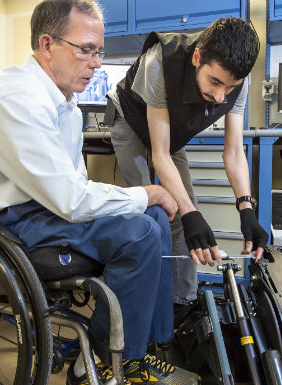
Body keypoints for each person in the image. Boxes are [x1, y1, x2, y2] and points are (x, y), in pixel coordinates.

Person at [0, 0, 200, 385]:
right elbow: (71, 199)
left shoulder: (65, 106)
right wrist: (145, 192)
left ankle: (136, 354)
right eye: (86, 49)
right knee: (143, 225)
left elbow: (71, 190)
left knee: (150, 219)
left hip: (32, 210)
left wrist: (141, 200)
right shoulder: (17, 98)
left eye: (99, 51)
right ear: (47, 44)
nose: (96, 63)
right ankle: (90, 370)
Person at [107, 18, 269, 321]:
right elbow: (159, 154)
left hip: (170, 131)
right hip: (130, 119)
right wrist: (190, 212)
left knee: (184, 213)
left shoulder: (238, 80)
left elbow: (234, 151)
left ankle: (181, 304)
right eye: (215, 83)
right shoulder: (160, 61)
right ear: (197, 58)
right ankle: (144, 309)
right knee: (152, 215)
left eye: (230, 87)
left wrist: (246, 209)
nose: (222, 96)